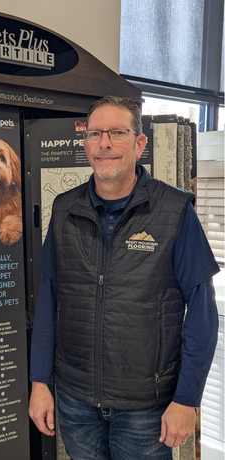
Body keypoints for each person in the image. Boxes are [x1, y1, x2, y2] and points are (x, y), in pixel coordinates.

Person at [28, 95, 219, 460]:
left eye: (117, 132)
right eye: (95, 133)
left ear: (139, 143)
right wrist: (39, 381)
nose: (105, 144)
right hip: (76, 401)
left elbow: (203, 315)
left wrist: (187, 400)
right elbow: (50, 300)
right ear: (85, 143)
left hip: (146, 409)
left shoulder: (175, 211)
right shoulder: (65, 209)